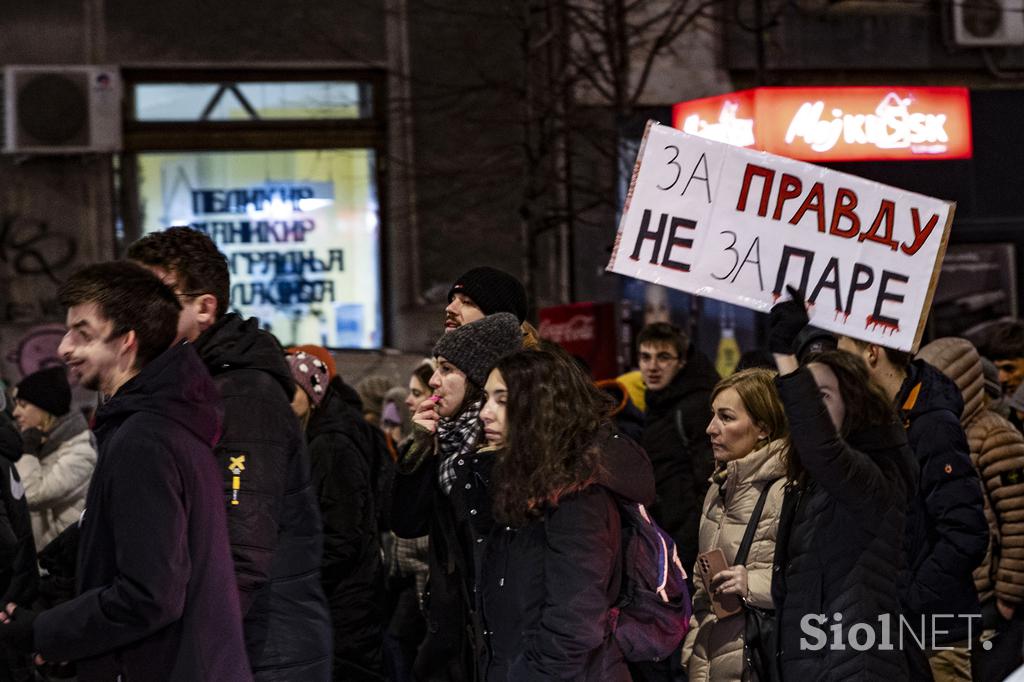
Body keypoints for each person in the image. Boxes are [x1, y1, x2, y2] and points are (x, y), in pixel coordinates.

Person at [0, 261, 249, 680]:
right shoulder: (162, 422)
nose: (63, 348)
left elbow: (149, 595)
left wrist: (43, 631)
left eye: (82, 332)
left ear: (127, 341)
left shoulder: (145, 438)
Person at [126, 226, 331, 680]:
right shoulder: (183, 389)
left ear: (204, 307)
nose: (136, 316)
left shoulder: (242, 395)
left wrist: (184, 651)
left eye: (154, 299)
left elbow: (240, 550)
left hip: (264, 653)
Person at [477, 349, 656, 681]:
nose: (485, 413)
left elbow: (575, 621)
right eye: (486, 399)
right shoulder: (530, 485)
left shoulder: (578, 495)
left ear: (540, 407)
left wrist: (530, 674)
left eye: (502, 401)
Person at [768, 291, 916, 680]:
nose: (812, 408)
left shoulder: (873, 475)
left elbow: (824, 448)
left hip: (856, 663)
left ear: (854, 404)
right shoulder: (809, 483)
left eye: (823, 396)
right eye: (808, 398)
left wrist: (785, 357)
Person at [838, 333, 987, 678]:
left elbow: (966, 535)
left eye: (843, 357)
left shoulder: (932, 425)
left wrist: (907, 601)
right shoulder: (873, 424)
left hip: (935, 640)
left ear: (872, 353)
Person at [391, 313, 523, 681]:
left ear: (478, 379)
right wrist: (418, 450)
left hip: (494, 641)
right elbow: (404, 521)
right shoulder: (446, 443)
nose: (433, 380)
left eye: (447, 369)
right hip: (453, 637)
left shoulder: (503, 453)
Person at [918, 337, 1024, 681]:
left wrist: (1009, 594)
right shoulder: (942, 433)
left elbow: (1019, 520)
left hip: (991, 599)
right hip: (961, 595)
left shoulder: (993, 436)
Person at [286, 348, 387, 681]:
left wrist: (300, 576)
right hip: (344, 600)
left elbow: (343, 534)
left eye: (291, 389)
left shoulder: (330, 444)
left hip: (346, 605)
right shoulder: (315, 437)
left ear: (312, 393)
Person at [682, 368, 789, 682]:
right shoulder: (718, 488)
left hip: (761, 661)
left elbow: (815, 582)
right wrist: (694, 655)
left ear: (763, 428)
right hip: (712, 663)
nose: (710, 429)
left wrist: (752, 583)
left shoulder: (788, 491)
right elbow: (704, 589)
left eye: (726, 418)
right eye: (713, 415)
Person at [637, 321, 719, 573]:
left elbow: (708, 480)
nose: (652, 366)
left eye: (663, 357)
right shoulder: (659, 402)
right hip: (667, 531)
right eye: (645, 357)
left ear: (682, 361)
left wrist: (688, 537)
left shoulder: (695, 405)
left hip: (687, 538)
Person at [11, 367, 96, 549]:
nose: (15, 412)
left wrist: (27, 450)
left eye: (23, 405)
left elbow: (31, 495)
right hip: (40, 559)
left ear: (45, 408)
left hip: (59, 567)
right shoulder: (43, 445)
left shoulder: (80, 452)